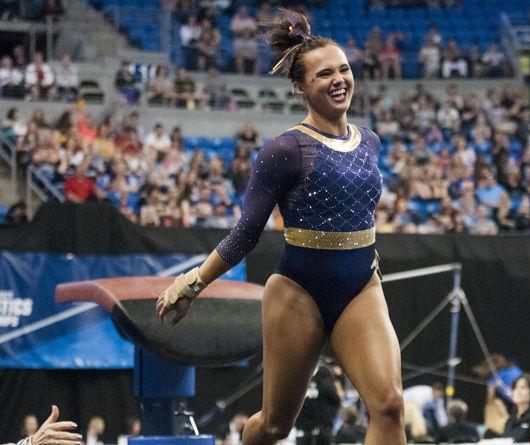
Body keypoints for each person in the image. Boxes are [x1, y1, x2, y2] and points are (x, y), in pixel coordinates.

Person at [155, 9, 405, 445]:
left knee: (389, 406)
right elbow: (246, 234)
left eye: (344, 69)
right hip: (298, 293)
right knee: (274, 425)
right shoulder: (285, 149)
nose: (338, 79)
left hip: (361, 286)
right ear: (300, 87)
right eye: (324, 73)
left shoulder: (370, 141)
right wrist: (192, 283)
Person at [11, 405, 81, 445]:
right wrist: (30, 443)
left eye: (34, 423)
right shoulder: (18, 439)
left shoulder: (44, 438)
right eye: (30, 423)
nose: (33, 425)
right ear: (25, 425)